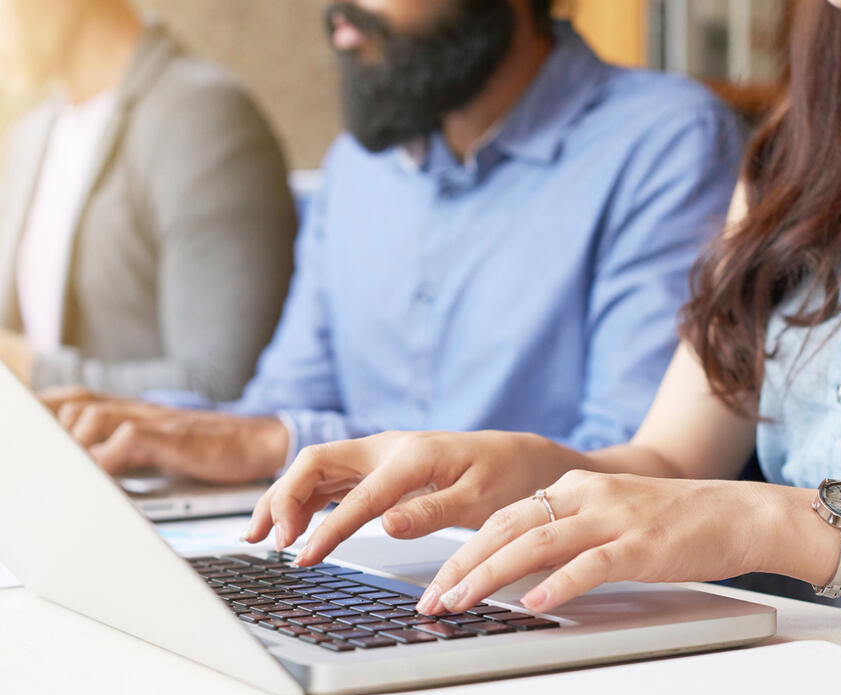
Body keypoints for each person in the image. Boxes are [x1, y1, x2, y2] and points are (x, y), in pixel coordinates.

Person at [242, 0, 841, 630]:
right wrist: (514, 468)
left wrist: (772, 520)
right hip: (817, 672)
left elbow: (732, 508)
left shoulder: (679, 132)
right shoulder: (801, 149)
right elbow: (670, 463)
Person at [46, 0, 742, 482]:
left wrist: (285, 443)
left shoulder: (666, 143)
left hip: (550, 597)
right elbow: (281, 404)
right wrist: (138, 427)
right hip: (353, 563)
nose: (341, 18)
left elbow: (629, 470)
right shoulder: (359, 167)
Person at [0, 0, 296, 400]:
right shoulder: (32, 133)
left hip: (135, 461)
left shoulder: (200, 119)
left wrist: (32, 370)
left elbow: (218, 384)